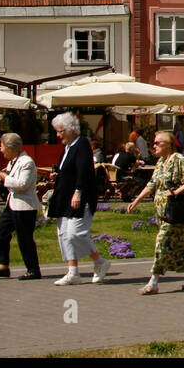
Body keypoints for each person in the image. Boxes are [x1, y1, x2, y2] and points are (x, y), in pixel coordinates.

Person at [127, 131, 184, 294]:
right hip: (162, 212)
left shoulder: (178, 160)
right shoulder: (161, 162)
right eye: (154, 143)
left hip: (176, 211)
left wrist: (175, 192)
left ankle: (153, 281)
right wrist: (137, 200)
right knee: (179, 246)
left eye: (158, 143)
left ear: (169, 145)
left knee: (162, 242)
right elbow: (152, 184)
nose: (154, 146)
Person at [47, 112, 110, 285]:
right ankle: (73, 271)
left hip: (79, 197)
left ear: (71, 130)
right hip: (64, 197)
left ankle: (100, 261)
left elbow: (84, 171)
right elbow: (68, 171)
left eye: (61, 131)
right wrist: (57, 175)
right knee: (64, 234)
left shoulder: (81, 144)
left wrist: (78, 192)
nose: (58, 135)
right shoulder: (68, 148)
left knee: (75, 233)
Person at [0, 133, 41, 280]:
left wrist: (6, 178)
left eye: (2, 146)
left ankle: (33, 270)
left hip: (25, 207)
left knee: (25, 238)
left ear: (11, 148)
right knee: (0, 231)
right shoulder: (13, 162)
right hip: (12, 204)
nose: (0, 149)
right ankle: (3, 266)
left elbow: (22, 185)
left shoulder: (27, 162)